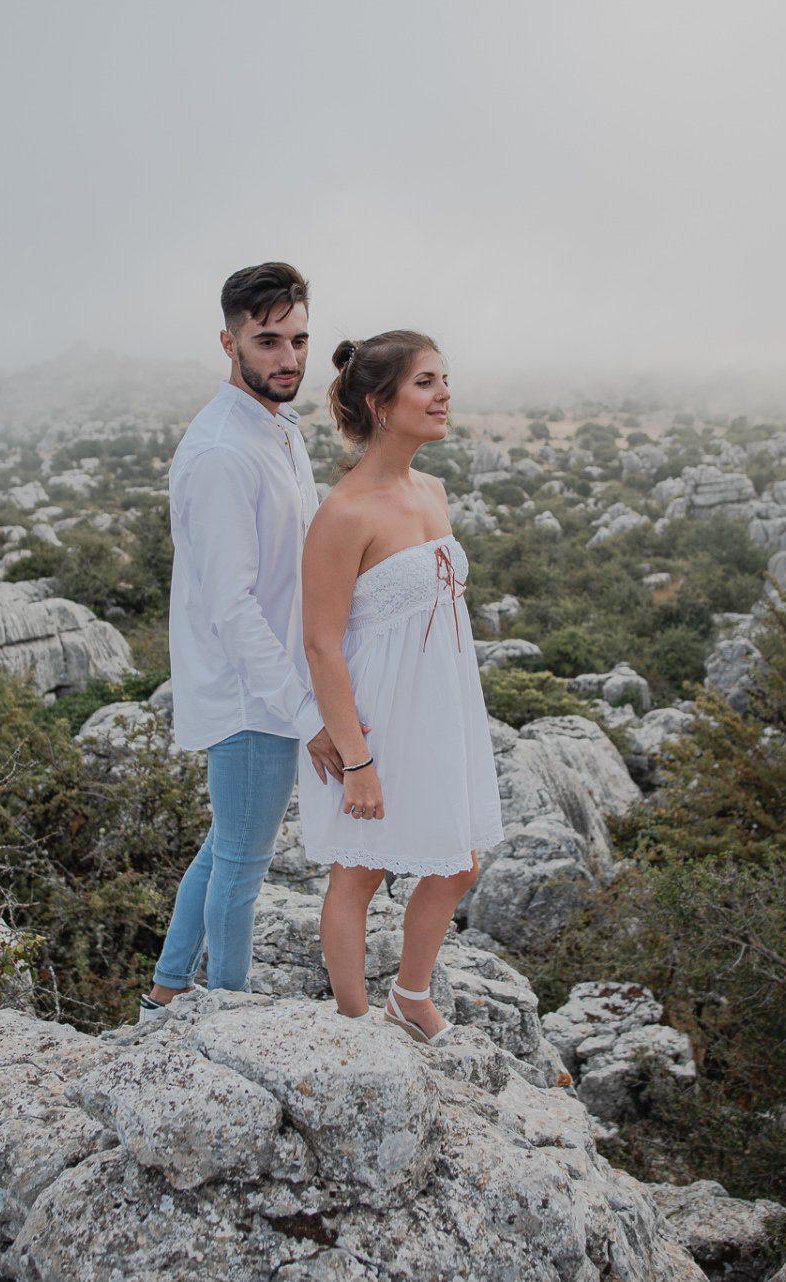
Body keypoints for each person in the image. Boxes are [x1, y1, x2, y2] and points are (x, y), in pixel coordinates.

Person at [141, 262, 357, 1019]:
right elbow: (233, 607)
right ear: (228, 341)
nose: (288, 357)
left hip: (271, 681)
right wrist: (307, 715)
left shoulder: (275, 428)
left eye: (298, 339)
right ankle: (227, 1013)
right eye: (268, 341)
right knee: (242, 864)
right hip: (249, 692)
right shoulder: (223, 454)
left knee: (223, 845)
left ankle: (165, 992)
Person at [299, 330, 503, 1044]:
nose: (444, 394)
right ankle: (355, 1027)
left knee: (459, 863)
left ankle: (408, 995)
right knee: (359, 873)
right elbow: (322, 644)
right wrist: (355, 758)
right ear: (378, 403)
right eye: (425, 382)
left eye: (444, 379)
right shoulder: (344, 513)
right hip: (376, 719)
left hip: (439, 710)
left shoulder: (433, 491)